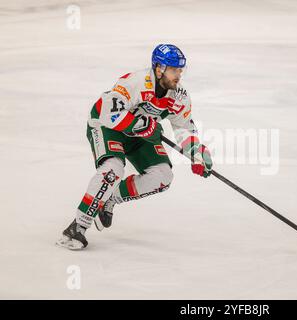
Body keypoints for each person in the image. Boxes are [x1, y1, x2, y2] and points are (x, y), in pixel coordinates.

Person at [56, 44, 213, 250]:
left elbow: (183, 127)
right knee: (113, 169)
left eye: (180, 70)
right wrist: (142, 125)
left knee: (162, 176)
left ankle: (110, 198)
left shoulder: (179, 96)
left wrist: (197, 153)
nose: (178, 75)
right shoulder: (135, 82)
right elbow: (108, 113)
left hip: (139, 133)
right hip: (107, 127)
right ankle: (78, 227)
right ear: (159, 69)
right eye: (174, 70)